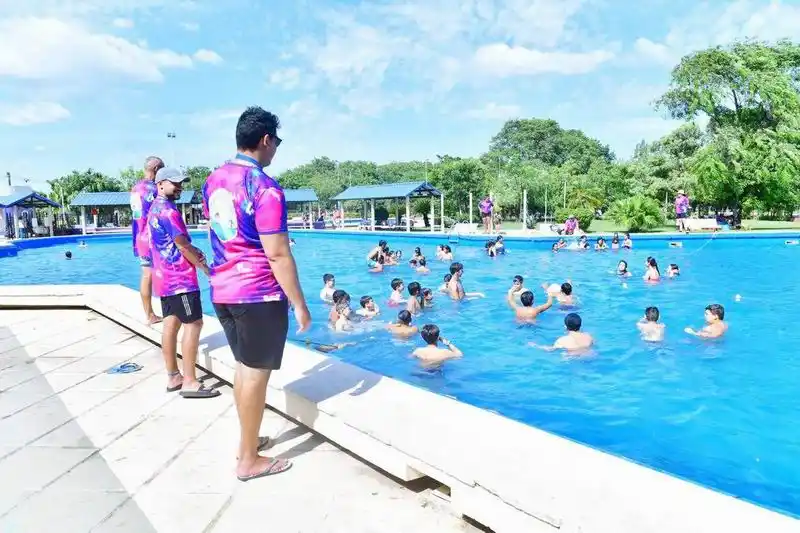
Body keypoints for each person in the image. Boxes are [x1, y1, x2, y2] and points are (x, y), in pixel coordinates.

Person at [203, 106, 309, 481]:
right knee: (254, 375)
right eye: (276, 141)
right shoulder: (265, 187)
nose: (276, 148)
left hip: (222, 290)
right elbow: (277, 253)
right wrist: (299, 303)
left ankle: (246, 444)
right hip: (257, 294)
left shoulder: (214, 179)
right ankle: (248, 460)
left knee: (244, 371)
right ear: (265, 140)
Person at [148, 167, 218, 399]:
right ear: (160, 184)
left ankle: (173, 376)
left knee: (170, 324)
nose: (179, 187)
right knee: (194, 324)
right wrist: (205, 268)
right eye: (174, 183)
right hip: (180, 279)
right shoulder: (168, 212)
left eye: (181, 183)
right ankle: (189, 381)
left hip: (164, 277)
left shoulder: (154, 209)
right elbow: (182, 246)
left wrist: (193, 250)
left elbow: (171, 242)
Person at [131, 155, 164, 325]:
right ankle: (161, 314)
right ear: (157, 169)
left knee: (146, 275)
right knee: (158, 274)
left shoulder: (136, 188)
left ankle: (149, 313)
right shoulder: (155, 189)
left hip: (139, 237)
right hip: (153, 238)